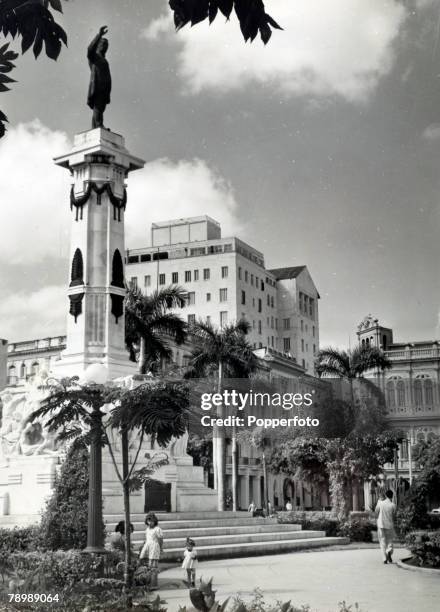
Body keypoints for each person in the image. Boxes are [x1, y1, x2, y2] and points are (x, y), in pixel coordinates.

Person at [87, 26, 112, 128]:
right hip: (97, 87)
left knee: (100, 109)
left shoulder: (104, 60)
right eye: (103, 44)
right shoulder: (94, 57)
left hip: (104, 88)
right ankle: (99, 125)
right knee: (98, 108)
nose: (104, 46)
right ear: (98, 45)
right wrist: (99, 35)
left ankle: (96, 126)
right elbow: (89, 49)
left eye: (106, 45)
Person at [139, 512, 163, 589]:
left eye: (152, 521)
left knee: (153, 566)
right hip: (148, 546)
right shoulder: (147, 529)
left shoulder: (157, 529)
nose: (150, 522)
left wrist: (161, 547)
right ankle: (147, 582)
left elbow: (160, 539)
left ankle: (154, 584)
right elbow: (147, 539)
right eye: (148, 521)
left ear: (155, 521)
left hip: (154, 546)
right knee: (147, 565)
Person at [375, 489, 396, 564]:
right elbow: (394, 516)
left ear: (386, 495)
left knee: (382, 541)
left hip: (381, 524)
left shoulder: (380, 503)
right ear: (392, 496)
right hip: (389, 525)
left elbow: (376, 512)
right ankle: (389, 551)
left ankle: (384, 558)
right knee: (389, 540)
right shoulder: (393, 505)